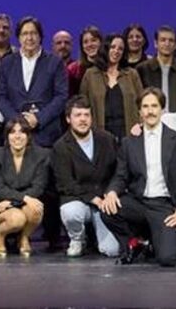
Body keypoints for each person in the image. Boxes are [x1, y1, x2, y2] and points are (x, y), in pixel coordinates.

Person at [101, 87, 176, 267]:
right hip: (138, 202)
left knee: (168, 258)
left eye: (154, 106)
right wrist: (111, 192)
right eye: (145, 106)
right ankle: (135, 243)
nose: (150, 111)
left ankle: (153, 240)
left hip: (165, 206)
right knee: (108, 209)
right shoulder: (129, 142)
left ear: (162, 109)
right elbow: (120, 175)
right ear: (140, 112)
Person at [52, 96, 119, 258]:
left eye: (86, 115)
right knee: (70, 212)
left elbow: (118, 171)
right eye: (78, 115)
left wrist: (111, 192)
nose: (83, 119)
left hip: (104, 202)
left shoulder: (106, 139)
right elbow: (65, 184)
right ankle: (77, 239)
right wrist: (92, 198)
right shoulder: (61, 147)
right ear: (68, 119)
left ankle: (96, 238)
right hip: (78, 200)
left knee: (112, 251)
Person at [0, 17, 68, 148]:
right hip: (15, 135)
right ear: (18, 38)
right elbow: (1, 97)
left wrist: (39, 118)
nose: (29, 38)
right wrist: (18, 121)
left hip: (46, 134)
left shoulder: (55, 62)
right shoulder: (7, 63)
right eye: (25, 34)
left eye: (33, 33)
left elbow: (61, 96)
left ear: (40, 37)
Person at [0, 116, 51, 257]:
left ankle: (23, 237)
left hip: (15, 202)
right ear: (7, 136)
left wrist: (13, 202)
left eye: (22, 132)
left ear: (28, 136)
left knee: (36, 210)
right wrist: (24, 199)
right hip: (0, 204)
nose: (17, 136)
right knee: (17, 218)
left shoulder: (41, 155)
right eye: (12, 132)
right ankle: (0, 236)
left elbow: (38, 187)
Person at [79, 33, 143, 140]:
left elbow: (143, 103)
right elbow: (82, 105)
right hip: (100, 135)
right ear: (105, 48)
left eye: (120, 49)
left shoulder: (132, 74)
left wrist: (140, 124)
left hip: (129, 134)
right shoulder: (90, 75)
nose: (116, 51)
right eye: (113, 47)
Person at [136, 25, 176, 113]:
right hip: (150, 117)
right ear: (155, 43)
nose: (167, 44)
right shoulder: (142, 69)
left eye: (171, 40)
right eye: (163, 40)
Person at [66, 26, 102, 98]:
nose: (89, 45)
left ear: (101, 42)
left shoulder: (109, 67)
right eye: (85, 42)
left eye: (93, 40)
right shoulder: (73, 70)